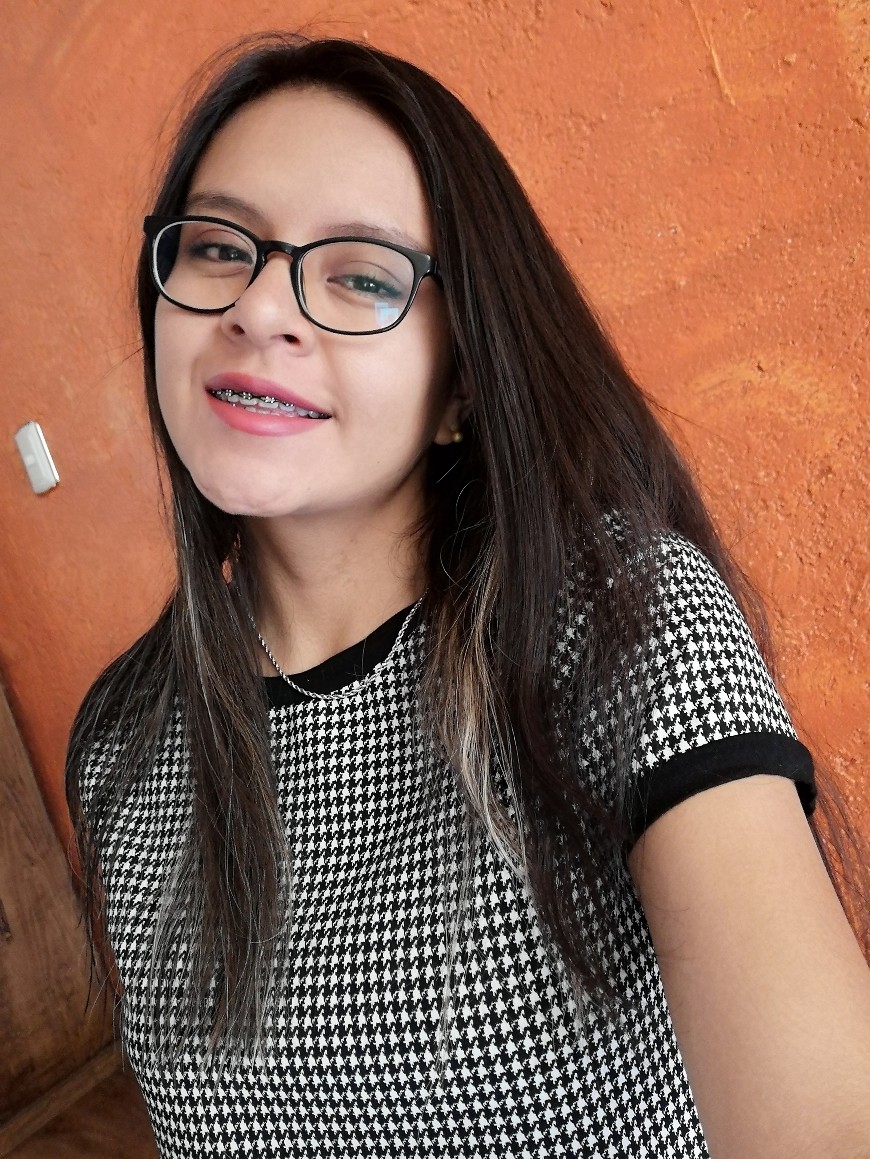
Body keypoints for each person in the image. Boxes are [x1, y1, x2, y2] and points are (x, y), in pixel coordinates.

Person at [66, 32, 870, 1159]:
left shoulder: (617, 621)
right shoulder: (122, 736)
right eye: (215, 247)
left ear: (460, 386)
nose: (259, 307)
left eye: (361, 275)